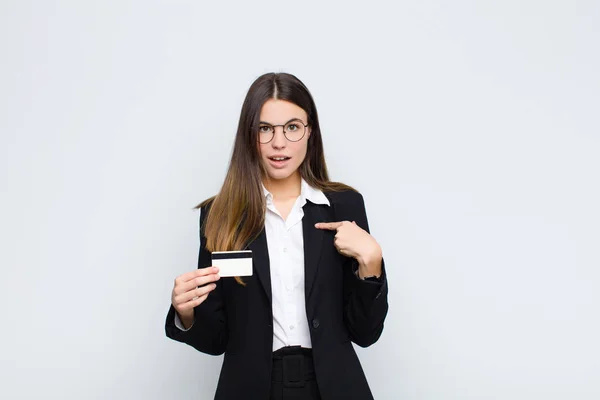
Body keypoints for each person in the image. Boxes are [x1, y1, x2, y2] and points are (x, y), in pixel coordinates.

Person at [165, 72, 389, 400]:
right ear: (249, 134)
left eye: (292, 127)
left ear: (310, 132)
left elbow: (366, 333)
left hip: (332, 386)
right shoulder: (220, 215)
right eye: (265, 129)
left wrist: (371, 263)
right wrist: (187, 314)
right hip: (251, 388)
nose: (279, 143)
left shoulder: (343, 205)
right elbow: (216, 341)